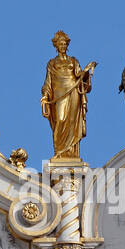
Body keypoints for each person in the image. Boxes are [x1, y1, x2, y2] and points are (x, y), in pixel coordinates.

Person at [42, 31, 95, 160]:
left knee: (72, 121)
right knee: (60, 119)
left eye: (65, 43)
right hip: (59, 93)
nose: (63, 46)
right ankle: (60, 151)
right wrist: (45, 96)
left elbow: (80, 76)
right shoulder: (52, 63)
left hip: (73, 91)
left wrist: (87, 73)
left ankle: (71, 152)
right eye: (60, 44)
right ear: (56, 45)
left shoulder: (73, 61)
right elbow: (48, 82)